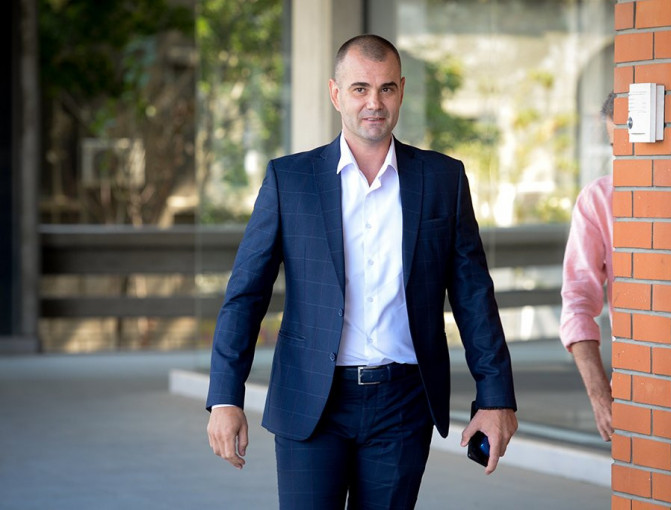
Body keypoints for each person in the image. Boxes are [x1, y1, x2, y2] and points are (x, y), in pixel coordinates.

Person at [206, 34, 518, 509]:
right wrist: (226, 397)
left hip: (403, 404)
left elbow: (474, 296)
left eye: (386, 88)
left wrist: (495, 398)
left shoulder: (442, 179)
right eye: (360, 89)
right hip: (312, 401)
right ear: (336, 94)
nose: (374, 102)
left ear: (402, 91)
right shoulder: (290, 180)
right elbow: (246, 295)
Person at [559, 91, 616, 442]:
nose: (621, 158)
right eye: (615, 146)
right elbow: (578, 300)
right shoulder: (598, 200)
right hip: (637, 386)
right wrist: (599, 395)